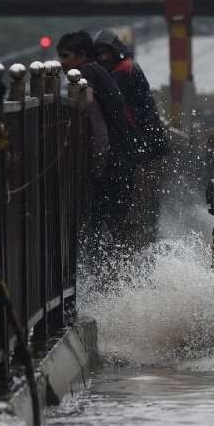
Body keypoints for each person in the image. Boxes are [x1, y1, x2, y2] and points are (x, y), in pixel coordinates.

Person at [57, 31, 138, 262]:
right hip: (121, 163)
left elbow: (97, 125)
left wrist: (97, 165)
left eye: (66, 55)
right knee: (110, 232)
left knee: (96, 232)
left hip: (110, 168)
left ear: (81, 55)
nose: (62, 62)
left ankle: (100, 285)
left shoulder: (85, 76)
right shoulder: (99, 71)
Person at [93, 29, 170, 250]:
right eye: (99, 53)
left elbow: (107, 100)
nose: (102, 57)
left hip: (143, 144)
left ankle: (136, 238)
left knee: (137, 196)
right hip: (146, 142)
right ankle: (142, 235)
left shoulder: (123, 71)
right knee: (143, 197)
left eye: (105, 52)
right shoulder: (125, 66)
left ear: (115, 51)